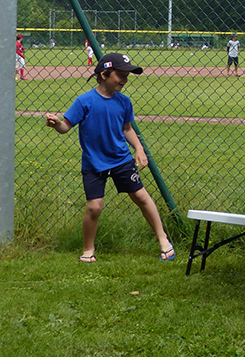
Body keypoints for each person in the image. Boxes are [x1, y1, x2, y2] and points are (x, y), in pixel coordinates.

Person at [43, 52, 175, 263]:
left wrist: (139, 148)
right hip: (94, 163)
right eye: (120, 75)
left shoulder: (124, 102)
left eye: (127, 76)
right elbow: (66, 126)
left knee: (141, 197)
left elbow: (127, 128)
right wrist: (57, 123)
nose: (125, 80)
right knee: (94, 207)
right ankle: (88, 249)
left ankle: (163, 239)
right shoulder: (84, 101)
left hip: (121, 159)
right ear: (104, 75)